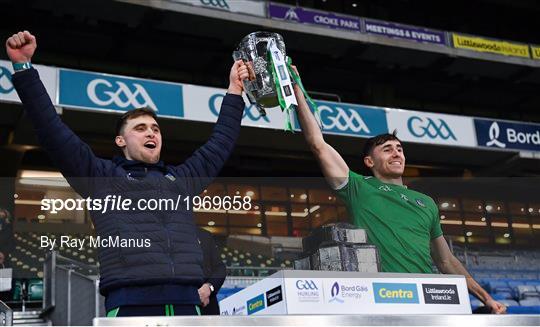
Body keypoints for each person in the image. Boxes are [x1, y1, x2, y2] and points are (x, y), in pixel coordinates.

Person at [6, 30, 249, 317]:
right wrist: (24, 69)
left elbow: (219, 144)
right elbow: (52, 131)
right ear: (121, 141)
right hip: (130, 306)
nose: (151, 133)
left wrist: (234, 90)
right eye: (140, 128)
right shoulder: (101, 177)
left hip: (187, 306)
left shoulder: (180, 181)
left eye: (155, 129)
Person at [292, 65, 506, 314]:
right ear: (369, 162)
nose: (396, 153)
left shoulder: (425, 202)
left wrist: (485, 298)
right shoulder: (358, 187)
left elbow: (446, 261)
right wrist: (297, 90)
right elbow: (318, 144)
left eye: (400, 148)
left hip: (429, 300)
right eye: (387, 149)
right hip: (385, 298)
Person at [196, 227, 226, 315]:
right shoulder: (161, 235)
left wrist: (209, 287)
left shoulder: (204, 235)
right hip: (179, 305)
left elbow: (220, 268)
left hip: (207, 306)